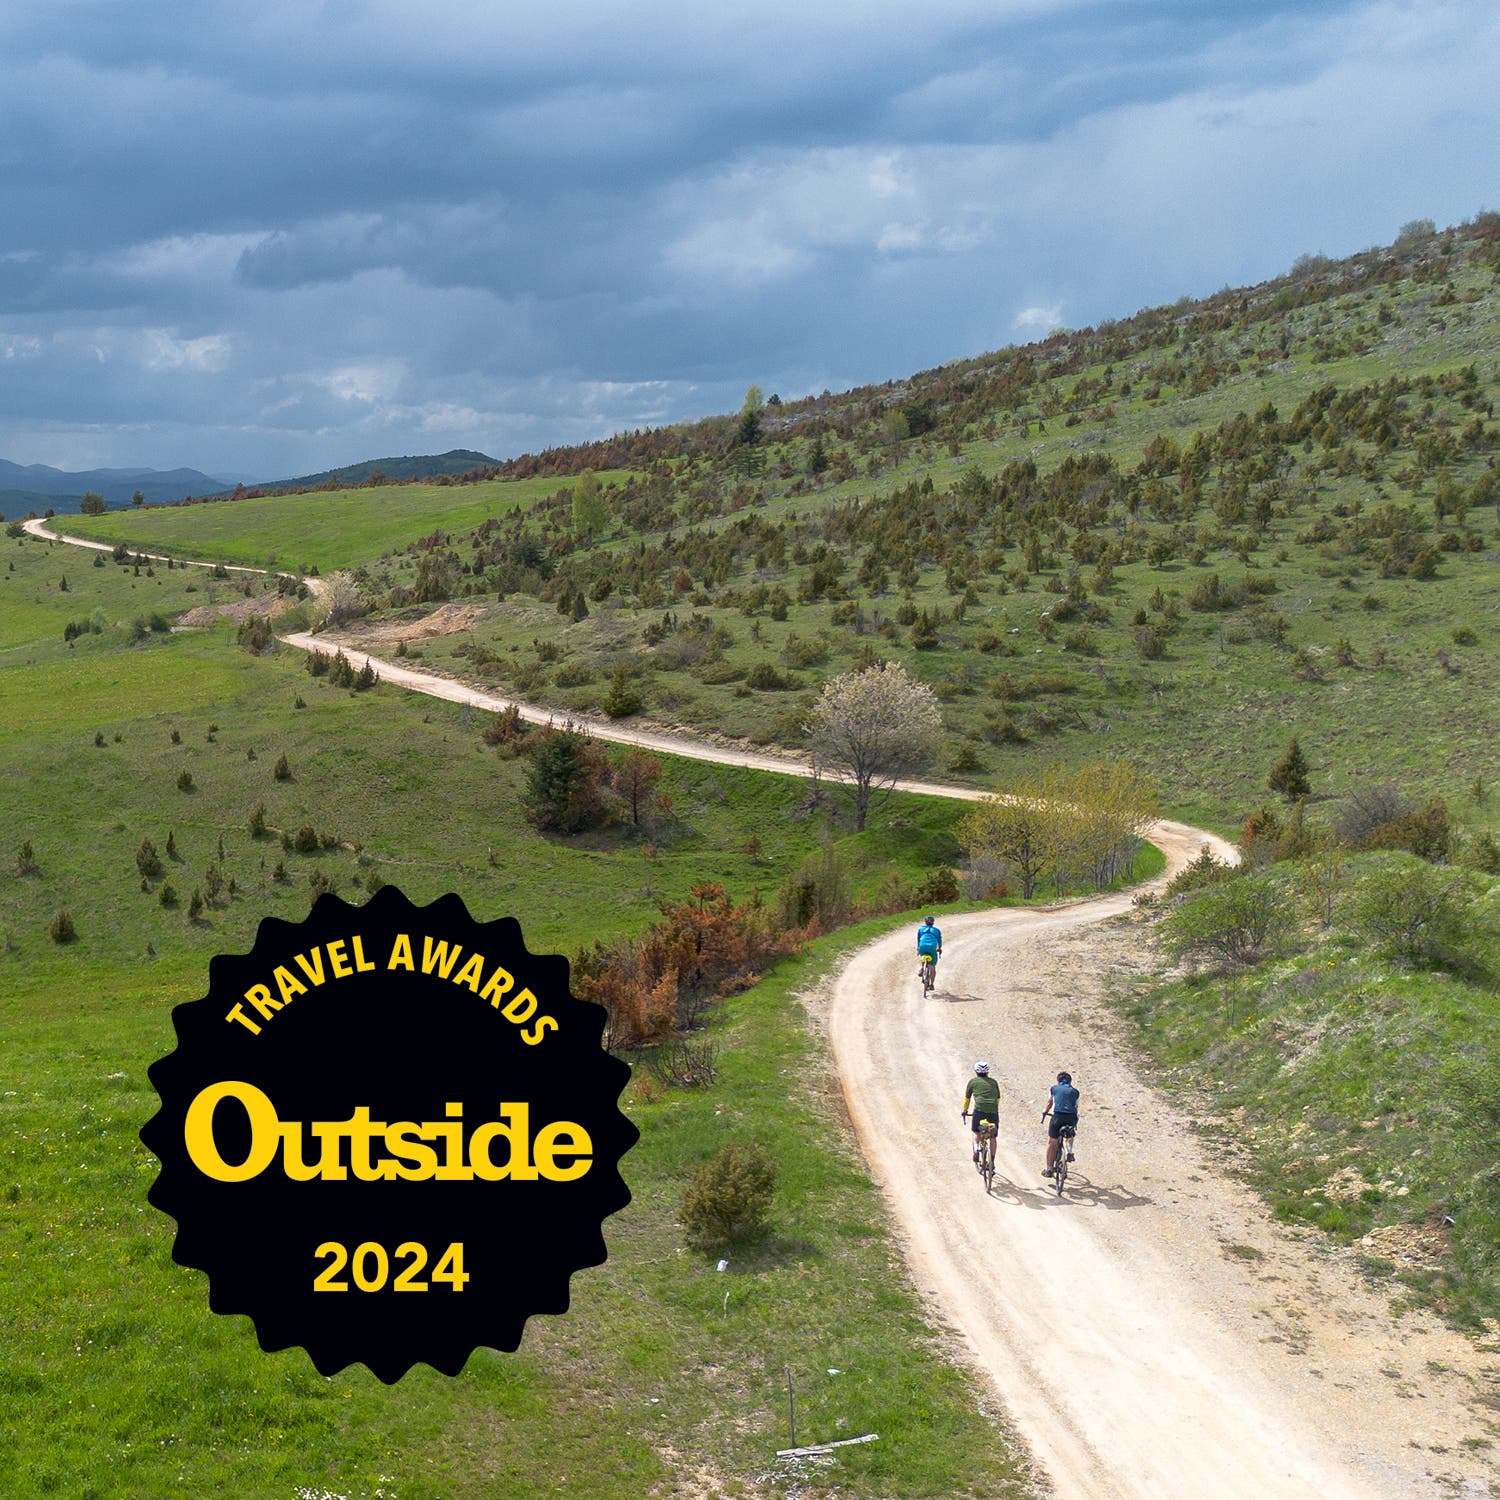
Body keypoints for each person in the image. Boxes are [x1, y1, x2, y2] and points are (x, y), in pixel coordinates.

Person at [1041, 1071, 1080, 1178]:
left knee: (1052, 1142)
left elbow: (1050, 1103)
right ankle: (1069, 1151)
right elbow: (1076, 1107)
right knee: (1069, 1135)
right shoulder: (1075, 1092)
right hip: (1071, 1117)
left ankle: (1049, 1169)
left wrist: (1045, 1111)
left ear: (1058, 1081)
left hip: (1057, 1116)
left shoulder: (1054, 1089)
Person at [961, 1060, 1000, 1163]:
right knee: (992, 1136)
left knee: (976, 1132)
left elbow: (967, 1099)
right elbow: (997, 1099)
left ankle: (976, 1150)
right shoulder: (994, 1082)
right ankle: (992, 1160)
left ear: (976, 1071)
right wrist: (995, 1110)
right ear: (987, 1072)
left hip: (979, 1110)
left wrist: (965, 1111)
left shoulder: (972, 1082)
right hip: (993, 1111)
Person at [916, 915, 943, 985]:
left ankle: (921, 968)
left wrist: (918, 948)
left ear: (925, 922)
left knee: (921, 955)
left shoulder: (920, 929)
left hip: (922, 946)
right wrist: (939, 948)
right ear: (933, 923)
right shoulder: (936, 930)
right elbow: (939, 941)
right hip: (932, 947)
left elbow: (918, 939)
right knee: (932, 967)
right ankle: (932, 984)